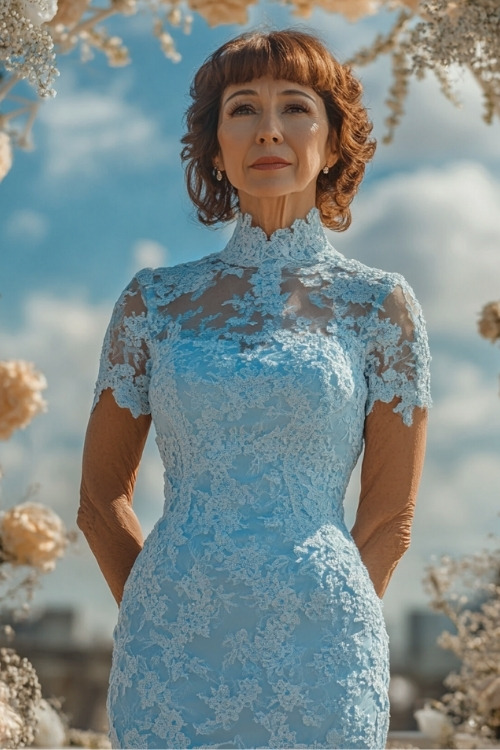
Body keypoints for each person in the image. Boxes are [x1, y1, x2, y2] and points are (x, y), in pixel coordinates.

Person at [78, 28, 431, 750]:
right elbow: (98, 501)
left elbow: (390, 518)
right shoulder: (153, 303)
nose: (268, 128)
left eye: (295, 107)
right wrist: (157, 613)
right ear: (214, 147)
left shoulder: (380, 306)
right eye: (242, 109)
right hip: (170, 654)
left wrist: (323, 622)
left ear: (332, 143)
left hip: (324, 652)